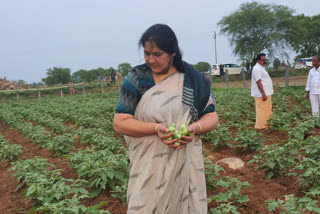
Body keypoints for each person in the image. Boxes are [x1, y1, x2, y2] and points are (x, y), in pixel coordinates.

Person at [113, 24, 218, 214]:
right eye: (146, 53)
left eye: (157, 54)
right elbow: (120, 122)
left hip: (185, 164)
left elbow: (211, 117)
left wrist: (195, 128)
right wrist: (155, 129)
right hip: (148, 167)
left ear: (173, 53)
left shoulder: (192, 80)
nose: (150, 59)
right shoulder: (138, 78)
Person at [251, 53, 273, 131]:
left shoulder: (261, 68)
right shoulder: (256, 68)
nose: (265, 61)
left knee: (267, 110)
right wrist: (263, 93)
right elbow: (258, 82)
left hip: (267, 93)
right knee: (261, 110)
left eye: (265, 60)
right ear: (258, 60)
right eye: (263, 60)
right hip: (261, 94)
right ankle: (260, 127)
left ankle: (266, 125)